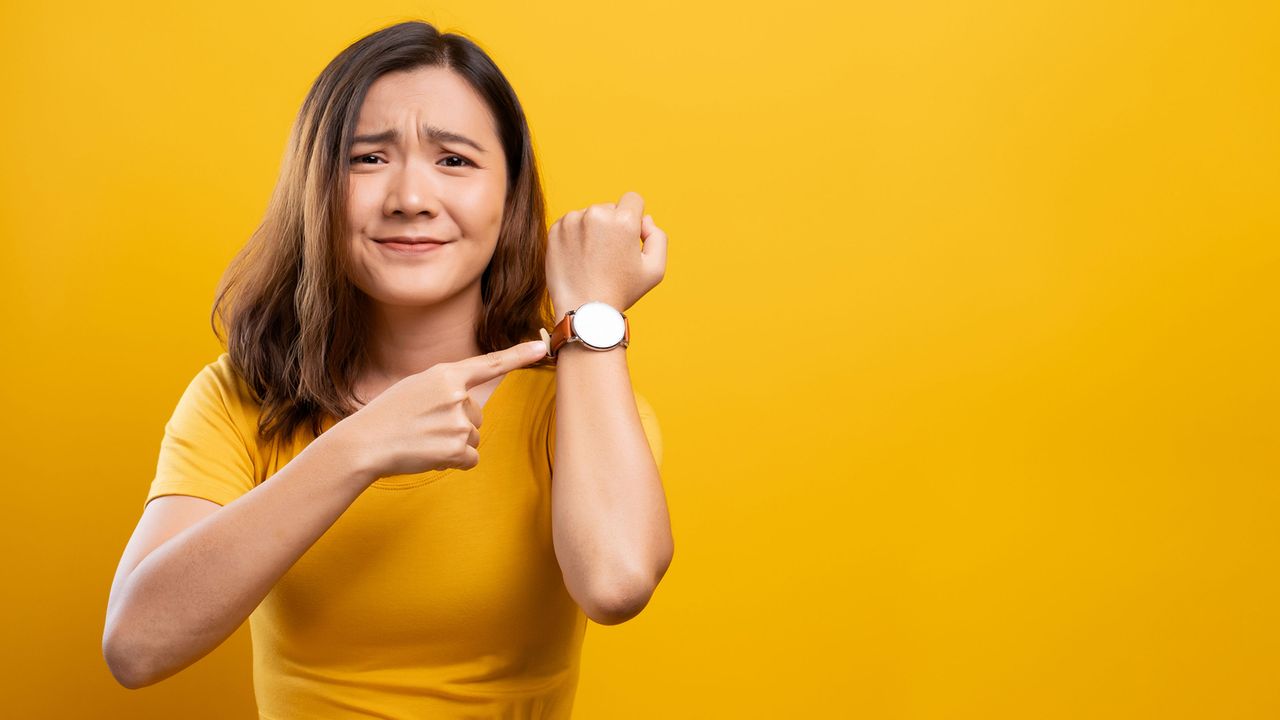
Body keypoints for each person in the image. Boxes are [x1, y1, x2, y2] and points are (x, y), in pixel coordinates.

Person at [102, 20, 672, 719]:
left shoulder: (579, 400)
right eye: (368, 159)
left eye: (454, 161)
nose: (409, 197)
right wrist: (362, 445)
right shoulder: (240, 396)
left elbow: (616, 583)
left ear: (509, 194)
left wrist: (591, 315)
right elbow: (135, 646)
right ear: (317, 184)